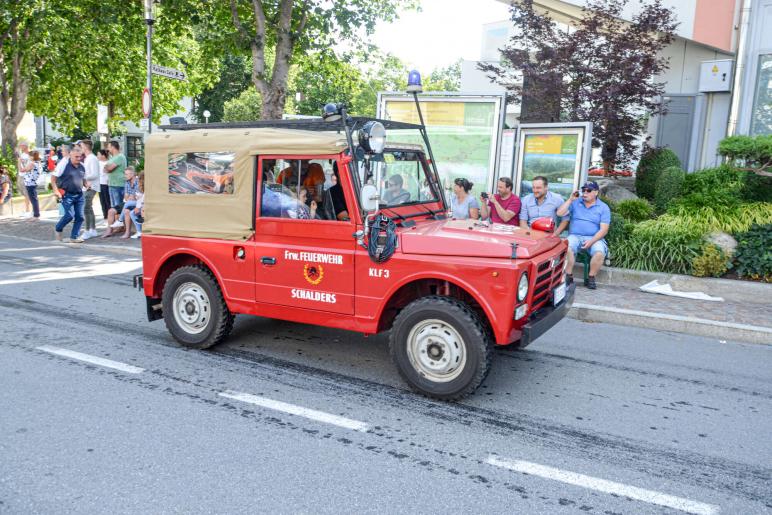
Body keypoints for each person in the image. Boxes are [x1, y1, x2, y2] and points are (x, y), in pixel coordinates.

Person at [556, 181, 611, 290]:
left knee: (599, 253)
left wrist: (591, 242)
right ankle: (569, 275)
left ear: (595, 192)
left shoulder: (603, 207)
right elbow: (559, 213)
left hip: (594, 238)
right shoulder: (576, 202)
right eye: (583, 190)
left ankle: (591, 277)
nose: (585, 193)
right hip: (575, 236)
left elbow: (604, 230)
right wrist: (570, 199)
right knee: (566, 248)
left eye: (588, 190)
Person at [51, 147, 86, 243]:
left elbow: (83, 178)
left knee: (80, 216)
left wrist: (87, 184)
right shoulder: (64, 165)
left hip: (79, 194)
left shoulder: (82, 166)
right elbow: (53, 178)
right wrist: (56, 191)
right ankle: (58, 228)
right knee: (70, 215)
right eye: (76, 157)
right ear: (70, 155)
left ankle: (74, 237)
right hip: (66, 194)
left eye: (80, 157)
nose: (79, 159)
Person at [80, 140, 100, 239]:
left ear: (86, 147)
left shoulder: (92, 158)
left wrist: (84, 176)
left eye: (82, 146)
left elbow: (95, 174)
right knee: (89, 208)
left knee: (86, 208)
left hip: (91, 186)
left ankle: (87, 230)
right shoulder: (89, 158)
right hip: (88, 186)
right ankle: (93, 229)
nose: (81, 148)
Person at [104, 140, 127, 208]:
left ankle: (119, 219)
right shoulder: (112, 158)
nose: (108, 149)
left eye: (109, 147)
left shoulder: (120, 157)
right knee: (113, 206)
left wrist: (107, 168)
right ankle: (115, 218)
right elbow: (105, 169)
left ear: (113, 147)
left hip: (118, 185)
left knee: (117, 206)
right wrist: (107, 168)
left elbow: (109, 168)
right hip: (112, 184)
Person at [23, 150, 42, 219]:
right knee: (34, 199)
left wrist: (19, 162)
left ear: (32, 156)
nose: (28, 157)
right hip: (33, 182)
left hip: (30, 183)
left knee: (33, 199)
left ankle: (36, 214)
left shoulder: (32, 163)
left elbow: (23, 170)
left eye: (29, 156)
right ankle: (35, 213)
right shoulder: (38, 163)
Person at [16, 142, 33, 216]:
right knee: (23, 191)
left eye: (21, 145)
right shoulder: (22, 154)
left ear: (26, 146)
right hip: (21, 175)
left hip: (26, 176)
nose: (20, 147)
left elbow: (30, 165)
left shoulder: (30, 154)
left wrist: (20, 161)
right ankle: (29, 210)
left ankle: (28, 210)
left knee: (27, 193)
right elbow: (20, 163)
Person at [128, 172, 145, 239]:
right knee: (130, 208)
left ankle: (120, 220)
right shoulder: (139, 186)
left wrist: (138, 207)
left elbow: (143, 199)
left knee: (130, 208)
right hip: (141, 204)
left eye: (138, 178)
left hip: (145, 205)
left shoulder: (147, 185)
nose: (137, 179)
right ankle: (139, 232)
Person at [97, 149, 111, 219]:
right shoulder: (98, 163)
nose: (97, 156)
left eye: (98, 154)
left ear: (103, 155)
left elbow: (105, 172)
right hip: (100, 183)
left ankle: (109, 215)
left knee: (107, 200)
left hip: (106, 184)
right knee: (102, 200)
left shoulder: (108, 162)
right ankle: (105, 215)